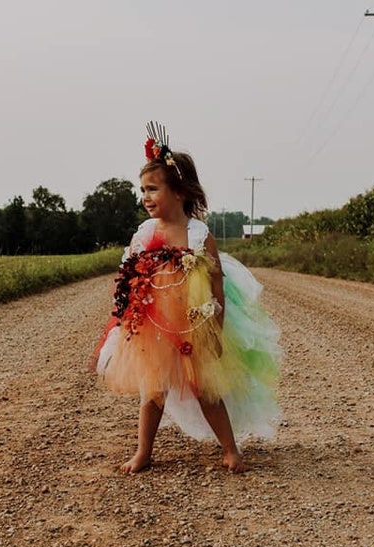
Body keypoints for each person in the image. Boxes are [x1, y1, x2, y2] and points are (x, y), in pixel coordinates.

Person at [96, 122, 281, 474]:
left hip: (193, 324)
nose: (145, 197)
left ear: (179, 192)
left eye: (152, 189)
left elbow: (215, 281)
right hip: (154, 327)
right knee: (153, 391)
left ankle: (230, 448)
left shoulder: (198, 235)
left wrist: (217, 326)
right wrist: (125, 322)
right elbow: (131, 278)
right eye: (142, 190)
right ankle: (144, 451)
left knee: (205, 387)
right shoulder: (146, 232)